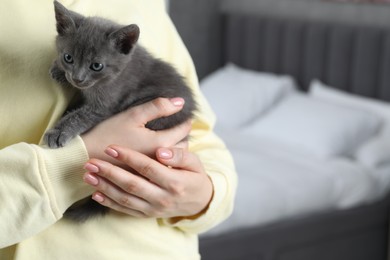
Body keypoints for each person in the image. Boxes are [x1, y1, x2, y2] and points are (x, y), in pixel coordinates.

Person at [0, 0, 237, 259]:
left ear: (126, 45)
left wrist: (203, 196)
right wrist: (67, 167)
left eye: (94, 67)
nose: (77, 77)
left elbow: (201, 137)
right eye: (68, 59)